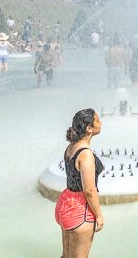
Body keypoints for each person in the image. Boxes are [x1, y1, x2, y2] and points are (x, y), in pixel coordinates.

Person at [55, 109, 104, 258]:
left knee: (66, 256)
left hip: (65, 203)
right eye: (97, 120)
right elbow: (89, 190)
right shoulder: (85, 154)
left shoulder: (71, 148)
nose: (101, 123)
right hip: (80, 210)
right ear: (89, 129)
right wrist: (99, 215)